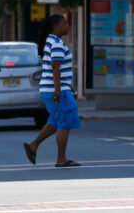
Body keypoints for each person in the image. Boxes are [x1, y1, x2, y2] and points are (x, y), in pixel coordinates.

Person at [23, 14, 81, 167]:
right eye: (64, 24)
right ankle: (61, 158)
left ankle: (33, 146)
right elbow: (56, 68)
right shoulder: (55, 44)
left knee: (55, 121)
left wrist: (67, 86)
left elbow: (58, 69)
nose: (67, 26)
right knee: (64, 121)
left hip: (55, 88)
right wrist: (58, 90)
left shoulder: (52, 41)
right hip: (55, 89)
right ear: (55, 27)